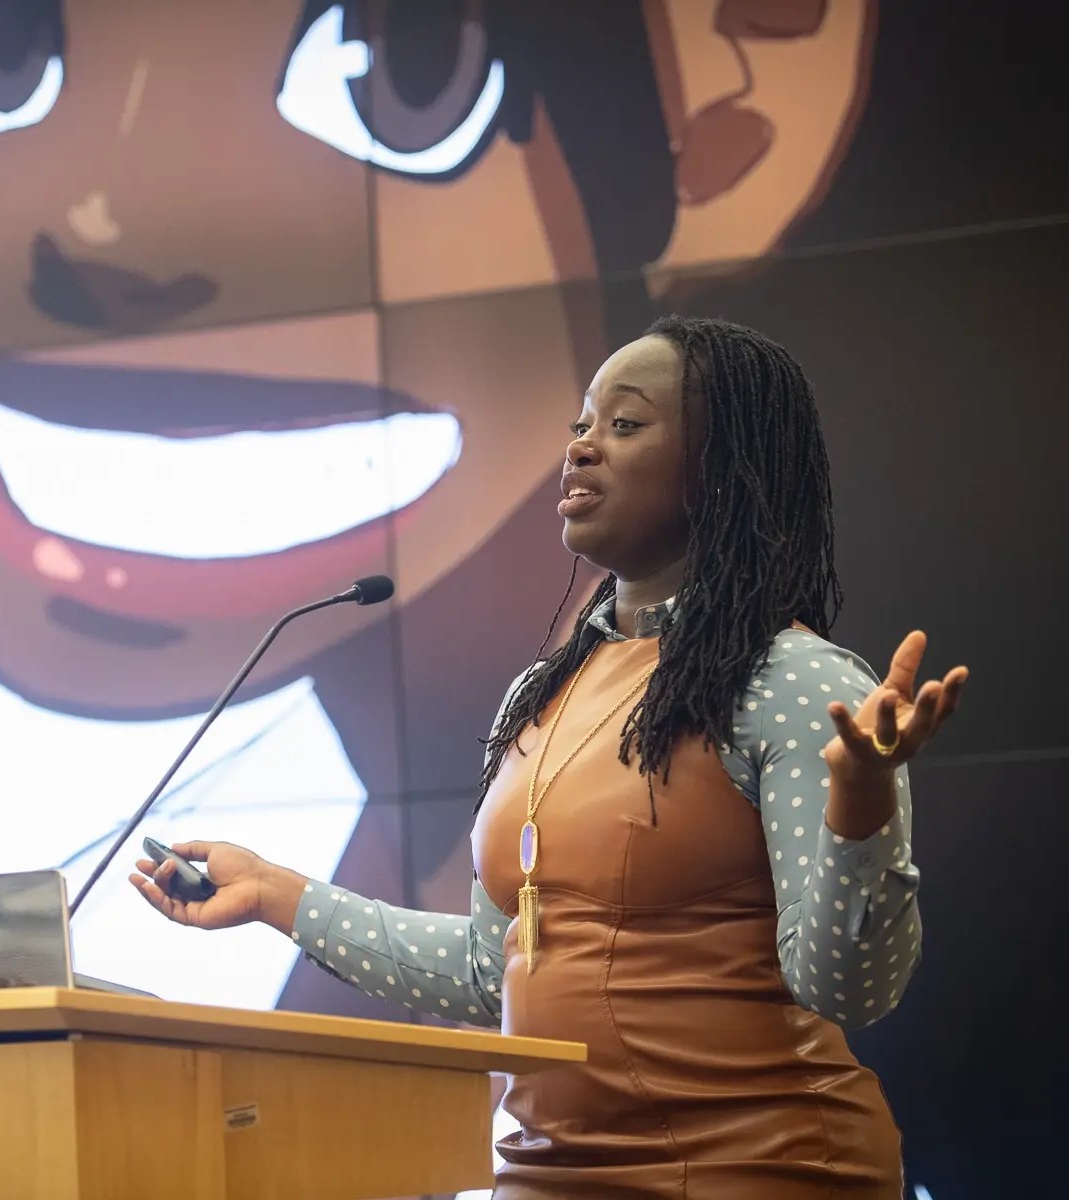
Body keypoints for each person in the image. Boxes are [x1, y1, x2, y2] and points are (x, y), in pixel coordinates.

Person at [132, 315, 969, 1198]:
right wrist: (273, 892)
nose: (581, 450)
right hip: (548, 1174)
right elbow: (489, 972)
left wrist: (860, 806)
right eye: (579, 427)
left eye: (625, 425)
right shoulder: (542, 696)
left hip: (755, 1166)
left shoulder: (793, 680)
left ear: (723, 468)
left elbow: (850, 987)